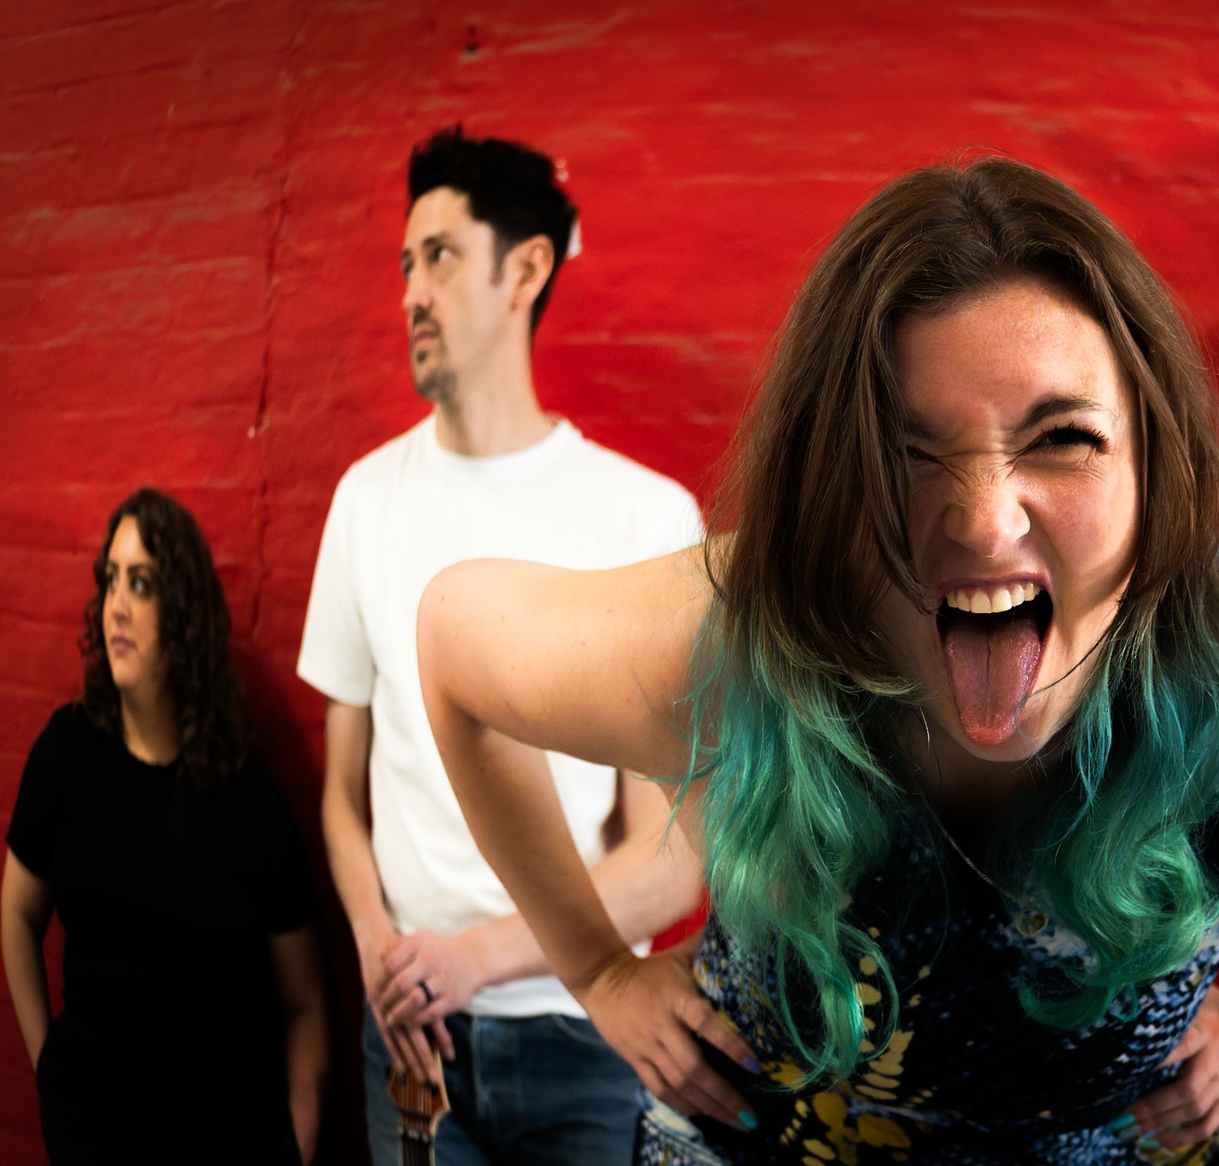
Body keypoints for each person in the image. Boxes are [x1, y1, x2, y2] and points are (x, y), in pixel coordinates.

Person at [413, 156, 1219, 1166]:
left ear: (1157, 467)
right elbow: (455, 638)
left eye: (1062, 437)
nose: (980, 522)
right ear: (825, 484)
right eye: (901, 448)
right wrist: (600, 972)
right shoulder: (743, 640)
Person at [297, 126, 706, 1163]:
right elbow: (342, 796)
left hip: (584, 1032)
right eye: (404, 264)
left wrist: (473, 958)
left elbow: (669, 857)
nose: (410, 293)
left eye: (438, 256)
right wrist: (379, 949)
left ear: (524, 270)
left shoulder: (644, 519)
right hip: (409, 1033)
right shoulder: (365, 501)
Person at [0, 488, 328, 1163]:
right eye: (111, 579)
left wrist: (291, 1147)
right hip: (92, 1135)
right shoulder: (67, 751)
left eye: (142, 584)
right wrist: (49, 1073)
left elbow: (305, 1005)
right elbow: (17, 915)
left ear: (184, 615)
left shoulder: (247, 799)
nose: (116, 605)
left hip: (225, 1139)